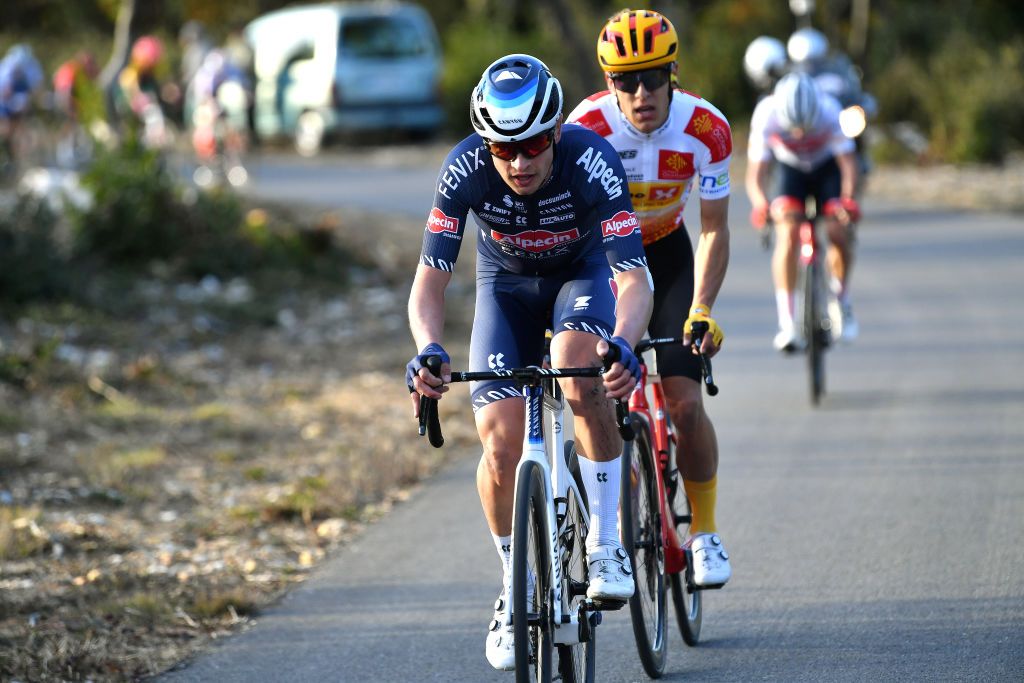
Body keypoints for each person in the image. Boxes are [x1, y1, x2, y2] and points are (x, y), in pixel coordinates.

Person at [406, 53, 653, 671]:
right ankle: (513, 585)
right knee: (498, 441)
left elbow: (633, 278)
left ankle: (604, 543)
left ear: (555, 133)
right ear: (485, 145)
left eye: (535, 145)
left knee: (578, 367)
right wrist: (428, 350)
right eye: (503, 150)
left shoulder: (590, 158)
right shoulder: (463, 167)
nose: (519, 163)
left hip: (582, 276)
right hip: (506, 289)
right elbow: (429, 285)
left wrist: (622, 342)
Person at [567, 7, 733, 590]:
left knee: (685, 402)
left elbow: (713, 227)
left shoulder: (706, 129)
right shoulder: (583, 129)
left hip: (666, 254)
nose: (642, 93)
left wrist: (703, 307)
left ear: (674, 74)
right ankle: (611, 531)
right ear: (609, 83)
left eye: (654, 77)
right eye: (626, 81)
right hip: (605, 264)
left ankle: (706, 532)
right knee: (603, 405)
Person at [746, 71, 861, 350]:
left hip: (826, 169)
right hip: (790, 170)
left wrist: (846, 200)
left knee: (836, 228)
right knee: (787, 234)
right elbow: (755, 174)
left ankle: (841, 302)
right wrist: (761, 204)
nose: (799, 134)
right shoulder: (766, 113)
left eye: (805, 128)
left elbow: (848, 165)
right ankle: (787, 322)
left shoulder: (830, 110)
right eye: (793, 128)